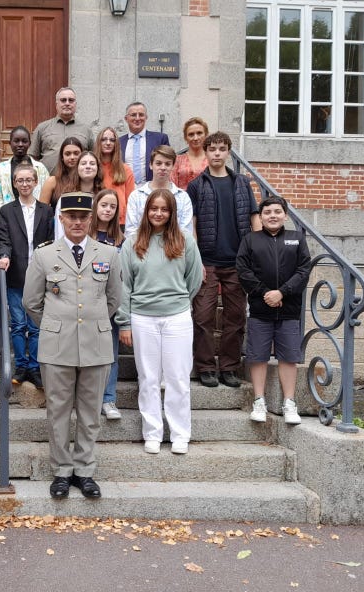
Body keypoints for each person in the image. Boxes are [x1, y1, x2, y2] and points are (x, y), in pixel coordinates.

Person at [23, 192, 121, 500]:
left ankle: (85, 471)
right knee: (58, 412)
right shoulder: (44, 255)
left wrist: (92, 322)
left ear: (91, 219)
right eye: (71, 217)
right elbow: (31, 301)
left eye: (83, 217)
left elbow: (114, 299)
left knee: (91, 413)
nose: (77, 222)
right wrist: (57, 323)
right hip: (57, 345)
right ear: (61, 219)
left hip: (96, 342)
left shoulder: (108, 254)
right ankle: (62, 471)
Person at [116, 189, 203, 454]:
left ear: (172, 212)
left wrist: (177, 301)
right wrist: (125, 322)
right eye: (154, 208)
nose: (158, 213)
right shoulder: (132, 243)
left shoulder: (185, 240)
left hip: (176, 316)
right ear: (146, 211)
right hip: (143, 317)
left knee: (177, 377)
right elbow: (123, 285)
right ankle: (152, 432)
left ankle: (179, 434)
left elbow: (195, 278)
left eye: (164, 209)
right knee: (149, 378)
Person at [187, 131, 261, 388]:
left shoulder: (241, 182)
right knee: (203, 316)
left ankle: (229, 367)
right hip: (207, 260)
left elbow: (254, 217)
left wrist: (258, 250)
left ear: (228, 152)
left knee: (236, 316)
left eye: (221, 148)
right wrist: (195, 259)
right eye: (212, 149)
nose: (217, 153)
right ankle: (206, 366)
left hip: (237, 262)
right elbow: (192, 223)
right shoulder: (196, 185)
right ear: (205, 152)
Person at [236, 196, 310, 425]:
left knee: (288, 357)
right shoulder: (250, 240)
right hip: (260, 309)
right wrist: (265, 293)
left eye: (277, 211)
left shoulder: (297, 239)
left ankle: (289, 403)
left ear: (285, 215)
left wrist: (283, 292)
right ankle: (259, 401)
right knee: (257, 356)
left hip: (288, 310)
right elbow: (243, 269)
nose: (272, 216)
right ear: (260, 217)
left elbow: (304, 269)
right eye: (267, 212)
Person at [0, 164, 55, 389]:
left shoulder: (46, 210)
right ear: (14, 183)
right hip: (16, 276)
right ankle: (21, 366)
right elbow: (3, 238)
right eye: (20, 180)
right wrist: (3, 256)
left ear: (36, 181)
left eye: (29, 179)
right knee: (19, 324)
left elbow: (50, 240)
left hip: (40, 277)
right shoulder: (7, 211)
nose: (25, 184)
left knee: (37, 325)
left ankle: (35, 367)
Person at [88, 189, 124, 420]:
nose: (107, 209)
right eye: (104, 205)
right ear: (96, 207)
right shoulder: (84, 236)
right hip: (87, 304)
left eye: (112, 206)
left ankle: (108, 399)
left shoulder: (121, 240)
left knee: (110, 354)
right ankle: (87, 399)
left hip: (111, 307)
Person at [126, 145, 194, 237]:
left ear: (173, 166)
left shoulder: (183, 197)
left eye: (167, 164)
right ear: (150, 165)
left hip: (173, 249)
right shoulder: (136, 196)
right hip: (142, 249)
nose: (163, 167)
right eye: (158, 163)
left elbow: (186, 232)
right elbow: (131, 232)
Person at [28, 86, 94, 173]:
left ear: (75, 104)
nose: (67, 103)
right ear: (56, 104)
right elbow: (33, 157)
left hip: (78, 182)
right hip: (48, 182)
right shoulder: (42, 128)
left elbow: (93, 157)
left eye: (71, 100)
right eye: (63, 100)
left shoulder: (86, 130)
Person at [0, 125, 50, 209]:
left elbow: (46, 194)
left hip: (34, 215)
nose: (20, 144)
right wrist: (2, 218)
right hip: (9, 217)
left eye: (24, 141)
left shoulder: (40, 168)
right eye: (16, 141)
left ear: (30, 143)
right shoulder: (0, 169)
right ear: (10, 143)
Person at [118, 101, 170, 185]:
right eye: (133, 115)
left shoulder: (160, 139)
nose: (137, 118)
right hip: (125, 190)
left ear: (146, 117)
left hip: (152, 190)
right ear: (126, 119)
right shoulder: (118, 142)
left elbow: (168, 164)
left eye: (141, 115)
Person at [96, 126, 135, 228]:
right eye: (104, 139)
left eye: (112, 140)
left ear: (116, 144)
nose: (108, 143)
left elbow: (130, 201)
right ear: (98, 143)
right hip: (97, 221)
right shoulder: (93, 167)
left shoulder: (125, 170)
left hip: (120, 223)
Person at [38, 137, 83, 209]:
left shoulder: (87, 181)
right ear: (62, 157)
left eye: (76, 153)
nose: (72, 157)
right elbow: (41, 212)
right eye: (67, 154)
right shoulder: (52, 181)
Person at [171, 117, 209, 190]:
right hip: (181, 200)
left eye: (199, 133)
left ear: (206, 135)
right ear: (186, 138)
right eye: (191, 134)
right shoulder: (177, 160)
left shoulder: (212, 159)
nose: (195, 138)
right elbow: (172, 186)